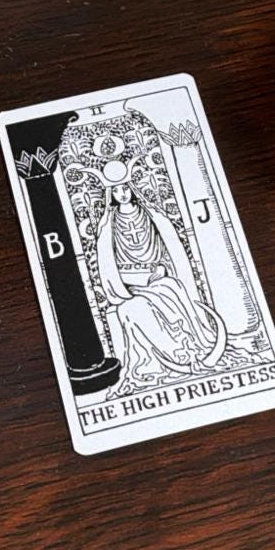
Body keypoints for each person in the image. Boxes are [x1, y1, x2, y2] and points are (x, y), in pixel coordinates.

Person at [94, 163, 226, 385]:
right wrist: (123, 284)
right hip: (128, 280)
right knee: (138, 304)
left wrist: (162, 268)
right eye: (116, 191)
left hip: (156, 274)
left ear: (132, 188)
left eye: (125, 188)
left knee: (172, 288)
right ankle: (172, 352)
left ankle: (192, 343)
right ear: (111, 195)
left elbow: (165, 247)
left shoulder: (150, 214)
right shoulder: (110, 222)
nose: (122, 194)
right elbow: (108, 257)